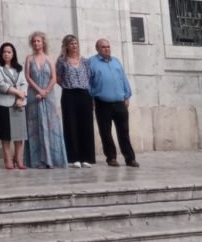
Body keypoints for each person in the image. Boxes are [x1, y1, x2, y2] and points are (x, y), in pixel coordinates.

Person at [89, 38, 138, 168]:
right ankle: (111, 157)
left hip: (120, 103)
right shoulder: (91, 63)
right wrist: (91, 98)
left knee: (124, 132)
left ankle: (130, 158)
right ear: (97, 49)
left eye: (108, 46)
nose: (107, 49)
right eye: (103, 47)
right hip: (102, 103)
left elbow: (123, 78)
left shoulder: (116, 61)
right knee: (105, 132)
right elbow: (88, 83)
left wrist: (127, 95)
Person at [24, 31, 67, 168]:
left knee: (50, 124)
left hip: (49, 96)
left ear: (43, 43)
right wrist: (39, 90)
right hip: (34, 95)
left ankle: (53, 159)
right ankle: (38, 161)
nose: (36, 43)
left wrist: (46, 92)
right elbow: (28, 77)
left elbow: (54, 78)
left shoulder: (49, 58)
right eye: (34, 41)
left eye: (39, 41)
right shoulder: (29, 58)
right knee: (35, 126)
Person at [56, 34, 97, 168]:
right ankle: (74, 158)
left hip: (84, 94)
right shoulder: (62, 61)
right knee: (71, 124)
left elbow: (89, 76)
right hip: (69, 94)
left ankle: (87, 157)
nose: (74, 46)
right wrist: (67, 86)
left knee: (86, 125)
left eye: (76, 43)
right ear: (66, 46)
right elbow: (57, 77)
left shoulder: (85, 61)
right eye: (71, 43)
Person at [0, 42, 27, 170]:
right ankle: (8, 159)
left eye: (9, 52)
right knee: (5, 134)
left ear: (13, 54)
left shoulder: (19, 68)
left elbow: (24, 83)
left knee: (20, 133)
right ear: (1, 54)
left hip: (19, 103)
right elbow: (0, 84)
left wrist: (20, 97)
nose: (6, 54)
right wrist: (18, 93)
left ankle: (19, 159)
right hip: (3, 103)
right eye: (4, 52)